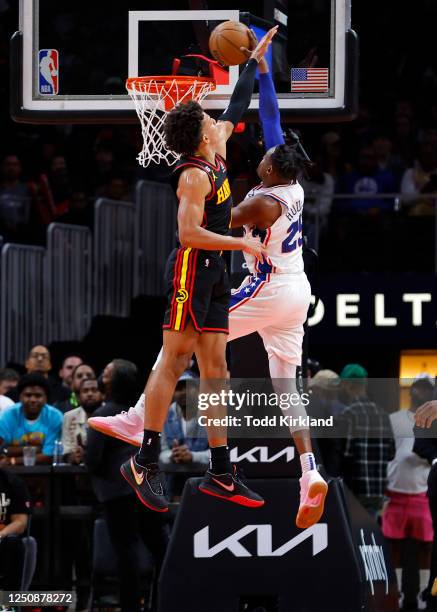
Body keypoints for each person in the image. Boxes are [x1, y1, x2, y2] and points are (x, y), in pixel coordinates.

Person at [89, 29, 329, 529]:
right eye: (204, 115)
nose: (213, 117)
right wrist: (257, 68)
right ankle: (150, 448)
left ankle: (209, 462)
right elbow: (190, 232)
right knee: (188, 360)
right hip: (210, 270)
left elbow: (245, 114)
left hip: (239, 279)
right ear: (201, 134)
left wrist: (255, 68)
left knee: (205, 368)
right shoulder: (202, 171)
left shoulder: (236, 165)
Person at [85, 359, 168, 612]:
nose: (102, 375)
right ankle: (168, 600)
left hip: (118, 492)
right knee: (161, 550)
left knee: (126, 553)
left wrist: (83, 454)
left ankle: (131, 607)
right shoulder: (145, 412)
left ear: (114, 381)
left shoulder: (102, 414)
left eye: (106, 372)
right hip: (148, 489)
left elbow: (93, 461)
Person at [383, 378, 434, 611]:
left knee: (427, 547)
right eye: (417, 389)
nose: (420, 393)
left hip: (422, 491)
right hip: (395, 492)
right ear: (411, 391)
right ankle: (398, 595)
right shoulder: (394, 418)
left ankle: (425, 592)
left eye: (426, 390)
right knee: (393, 547)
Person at [339, 363, 395, 518]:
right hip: (377, 491)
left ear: (348, 385)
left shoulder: (348, 413)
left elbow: (346, 454)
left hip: (355, 492)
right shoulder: (383, 414)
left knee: (353, 538)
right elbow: (391, 454)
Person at [160, 371, 209, 500]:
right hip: (176, 488)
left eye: (188, 387)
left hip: (207, 485)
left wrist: (193, 456)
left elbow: (223, 455)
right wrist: (173, 455)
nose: (183, 392)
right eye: (178, 388)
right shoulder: (164, 417)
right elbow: (162, 454)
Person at [0, 373, 63, 464]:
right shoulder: (7, 415)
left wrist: (12, 460)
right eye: (28, 395)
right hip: (10, 473)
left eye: (38, 396)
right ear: (20, 397)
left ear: (46, 398)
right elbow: (2, 450)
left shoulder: (55, 417)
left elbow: (48, 456)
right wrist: (36, 449)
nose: (33, 400)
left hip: (45, 472)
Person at [0, 460, 31, 590]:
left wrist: (1, 535)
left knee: (14, 544)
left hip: (2, 541)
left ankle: (7, 608)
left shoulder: (12, 482)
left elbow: (20, 522)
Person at [62, 378, 103, 464]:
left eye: (94, 390)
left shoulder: (112, 414)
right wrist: (75, 456)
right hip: (77, 471)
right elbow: (66, 453)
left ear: (102, 394)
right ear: (78, 397)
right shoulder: (69, 417)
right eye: (85, 391)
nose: (90, 394)